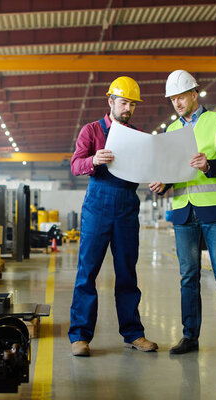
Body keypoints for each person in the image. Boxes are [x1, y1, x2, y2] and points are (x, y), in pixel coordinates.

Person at [149, 70, 216, 360]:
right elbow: (173, 172)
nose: (177, 103)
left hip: (214, 210)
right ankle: (190, 336)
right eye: (172, 99)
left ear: (194, 94)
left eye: (181, 97)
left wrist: (209, 165)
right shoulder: (170, 131)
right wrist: (163, 183)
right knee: (187, 277)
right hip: (183, 212)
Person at [68, 76, 158, 357]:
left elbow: (149, 168)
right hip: (97, 208)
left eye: (132, 104)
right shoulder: (91, 130)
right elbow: (75, 165)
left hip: (127, 209)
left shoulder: (139, 136)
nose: (128, 108)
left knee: (127, 274)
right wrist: (93, 160)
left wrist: (157, 180)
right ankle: (80, 336)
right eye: (123, 102)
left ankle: (133, 334)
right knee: (87, 273)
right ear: (111, 102)